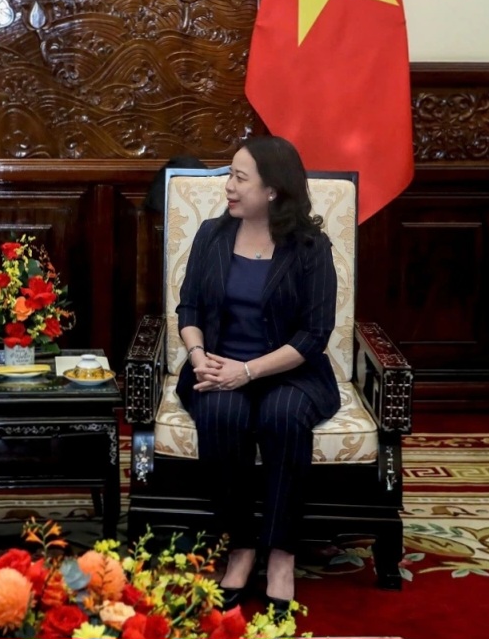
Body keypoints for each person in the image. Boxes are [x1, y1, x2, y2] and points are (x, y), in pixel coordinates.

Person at [174, 135, 340, 617]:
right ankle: (241, 547)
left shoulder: (310, 247)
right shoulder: (211, 235)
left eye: (239, 178)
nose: (227, 186)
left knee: (283, 416)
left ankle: (282, 554)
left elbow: (314, 335)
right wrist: (198, 355)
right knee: (220, 413)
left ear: (272, 190)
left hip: (289, 371)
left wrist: (249, 371)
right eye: (229, 175)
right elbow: (188, 308)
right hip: (218, 364)